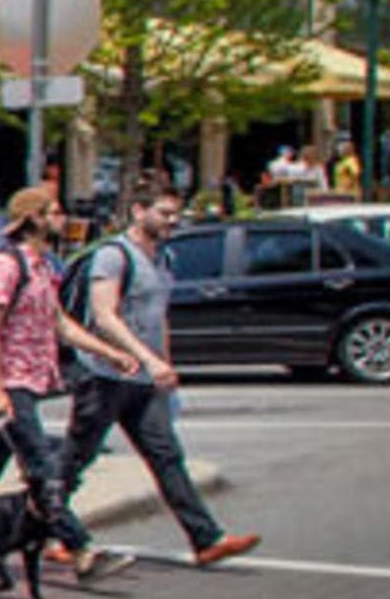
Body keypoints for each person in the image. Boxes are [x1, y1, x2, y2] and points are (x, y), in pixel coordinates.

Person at [62, 185, 260, 567]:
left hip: (144, 382)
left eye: (174, 214)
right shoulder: (113, 256)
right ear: (138, 211)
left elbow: (157, 319)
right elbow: (104, 317)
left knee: (167, 456)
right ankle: (55, 530)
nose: (172, 221)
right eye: (164, 213)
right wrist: (144, 359)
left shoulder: (163, 258)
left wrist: (164, 366)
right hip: (104, 376)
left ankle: (206, 539)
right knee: (74, 459)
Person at [0, 185, 124, 577]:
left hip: (29, 380)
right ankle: (80, 549)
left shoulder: (42, 266)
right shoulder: (5, 266)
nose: (63, 219)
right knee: (42, 467)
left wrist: (108, 351)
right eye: (55, 212)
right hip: (8, 383)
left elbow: (59, 324)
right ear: (34, 219)